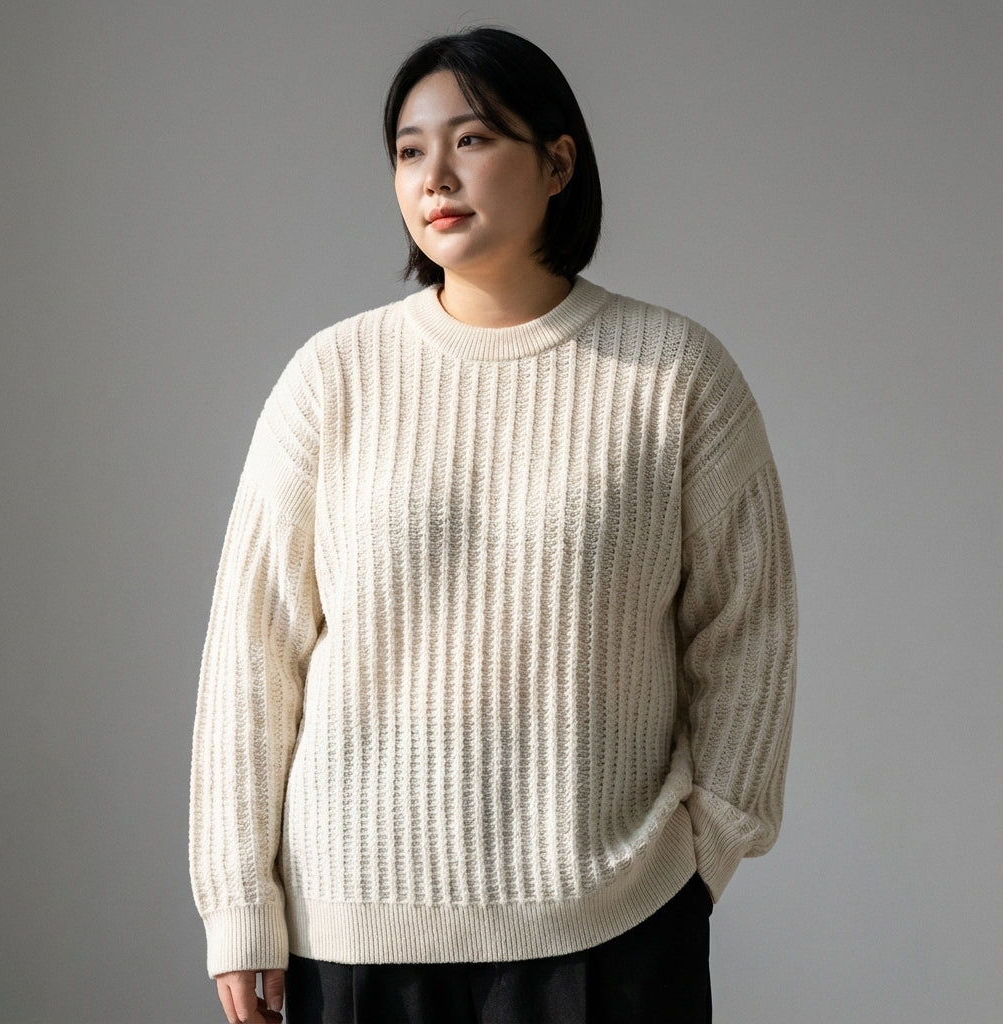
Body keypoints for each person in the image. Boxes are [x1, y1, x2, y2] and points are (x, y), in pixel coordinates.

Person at [190, 26, 797, 1024]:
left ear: (558, 162)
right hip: (354, 935)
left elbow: (748, 630)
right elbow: (252, 655)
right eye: (409, 150)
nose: (435, 175)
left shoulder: (675, 375)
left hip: (611, 927)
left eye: (471, 139)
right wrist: (237, 903)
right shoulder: (331, 380)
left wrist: (708, 849)